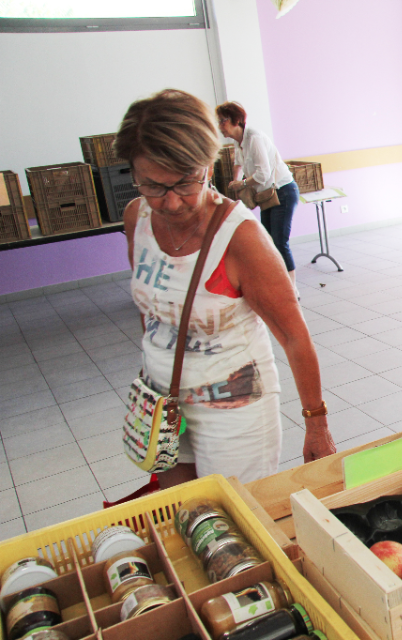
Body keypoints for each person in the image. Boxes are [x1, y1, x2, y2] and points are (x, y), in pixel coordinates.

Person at [118, 89, 335, 488]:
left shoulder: (240, 239)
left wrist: (316, 424)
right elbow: (152, 312)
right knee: (183, 513)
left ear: (207, 164)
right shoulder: (138, 217)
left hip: (235, 413)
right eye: (152, 185)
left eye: (186, 183)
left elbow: (293, 335)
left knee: (237, 522)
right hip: (165, 405)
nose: (169, 203)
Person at [215, 102, 300, 296]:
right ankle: (276, 282)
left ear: (236, 120)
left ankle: (292, 288)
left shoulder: (254, 138)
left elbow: (263, 174)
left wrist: (242, 184)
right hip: (267, 193)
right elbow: (238, 163)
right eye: (219, 121)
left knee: (279, 241)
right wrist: (235, 182)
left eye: (223, 121)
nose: (220, 126)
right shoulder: (239, 141)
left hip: (282, 191)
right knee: (267, 241)